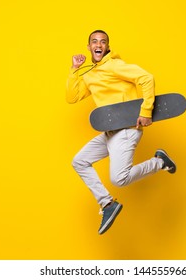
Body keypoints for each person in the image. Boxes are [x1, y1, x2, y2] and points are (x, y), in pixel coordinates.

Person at [66, 30, 176, 235]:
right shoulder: (90, 74)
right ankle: (107, 204)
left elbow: (146, 78)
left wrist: (146, 111)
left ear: (107, 47)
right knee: (79, 161)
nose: (98, 45)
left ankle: (160, 162)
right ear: (89, 47)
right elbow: (72, 97)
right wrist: (74, 69)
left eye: (103, 42)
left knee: (119, 179)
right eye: (94, 42)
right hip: (109, 132)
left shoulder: (114, 65)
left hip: (126, 129)